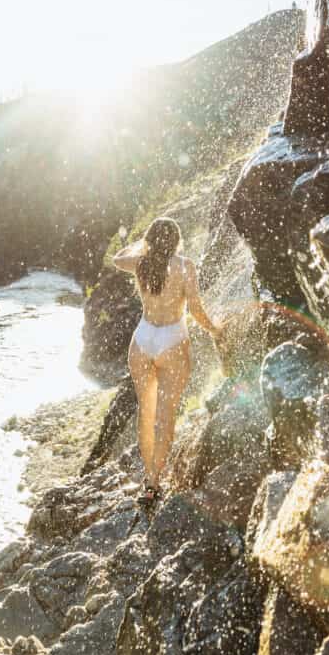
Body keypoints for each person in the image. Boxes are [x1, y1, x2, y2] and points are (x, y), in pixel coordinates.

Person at [110, 216, 221, 508]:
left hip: (143, 339)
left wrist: (144, 245)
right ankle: (154, 480)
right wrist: (215, 330)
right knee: (165, 415)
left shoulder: (141, 264)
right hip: (172, 339)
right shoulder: (185, 266)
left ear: (150, 239)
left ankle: (150, 483)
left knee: (145, 413)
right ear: (177, 240)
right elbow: (195, 309)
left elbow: (117, 258)